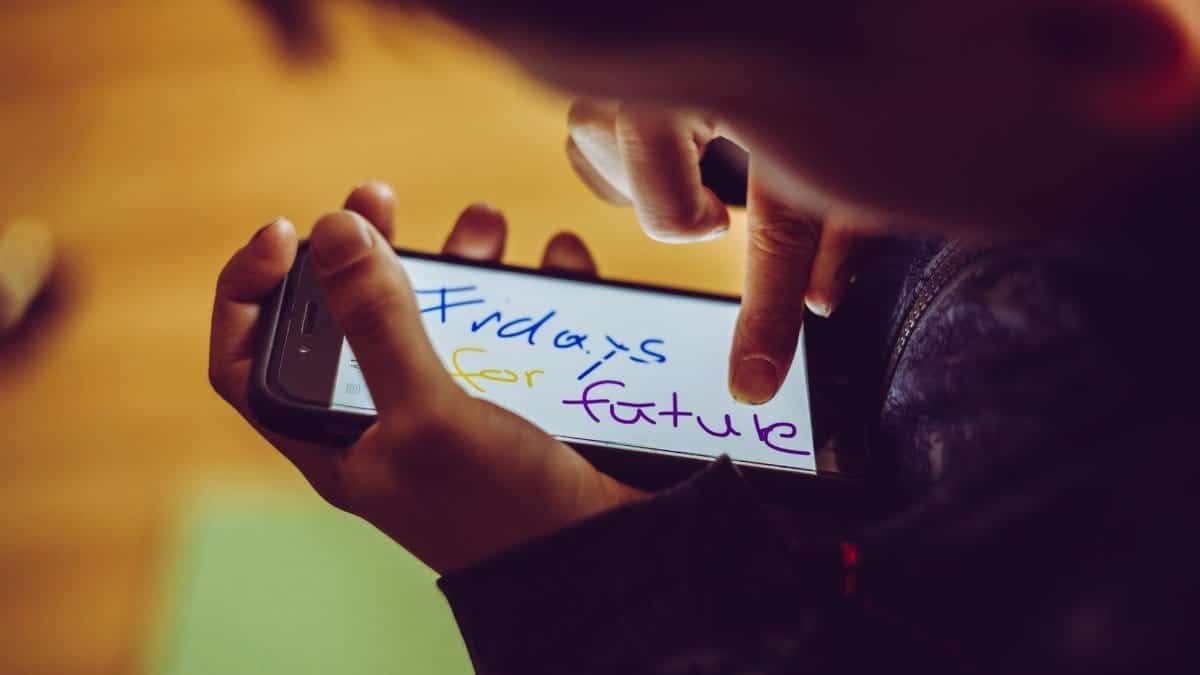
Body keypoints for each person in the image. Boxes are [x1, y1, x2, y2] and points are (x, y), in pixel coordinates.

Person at [211, 1, 1200, 672]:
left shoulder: (1145, 554)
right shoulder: (1029, 110)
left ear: (1102, 47)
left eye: (755, 118)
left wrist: (578, 571)